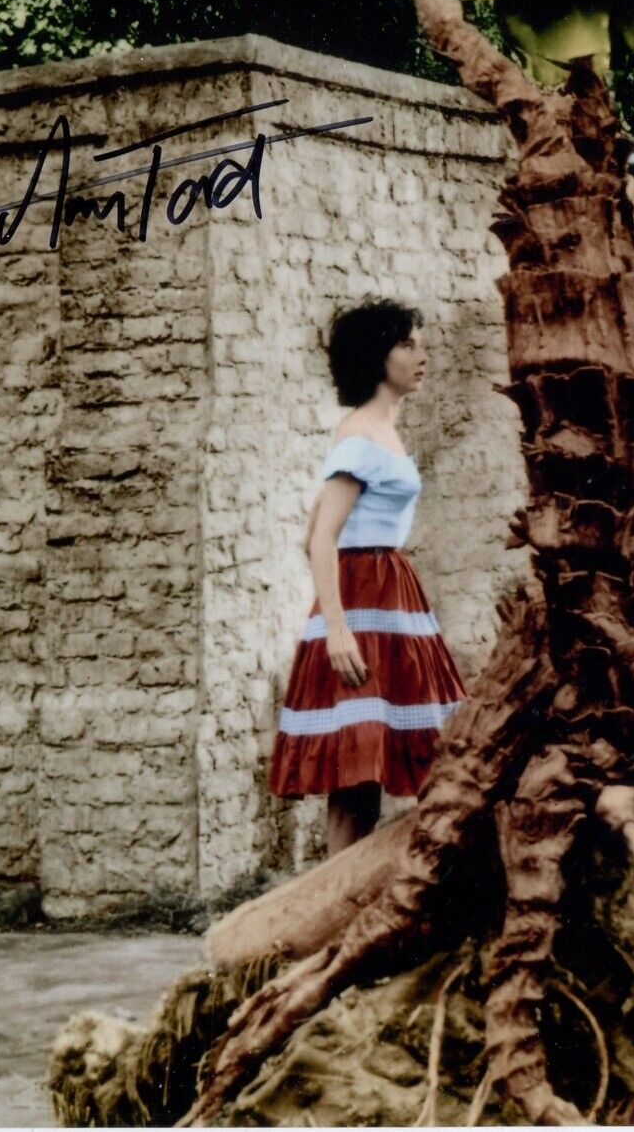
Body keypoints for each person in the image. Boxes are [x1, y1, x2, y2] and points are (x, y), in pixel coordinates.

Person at [267, 298, 468, 855]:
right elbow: (320, 537)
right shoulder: (359, 435)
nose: (421, 356)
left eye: (420, 343)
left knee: (370, 768)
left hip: (391, 594)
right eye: (407, 345)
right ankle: (332, 909)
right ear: (376, 357)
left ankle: (355, 905)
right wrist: (336, 629)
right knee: (355, 772)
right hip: (362, 600)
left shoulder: (382, 431)